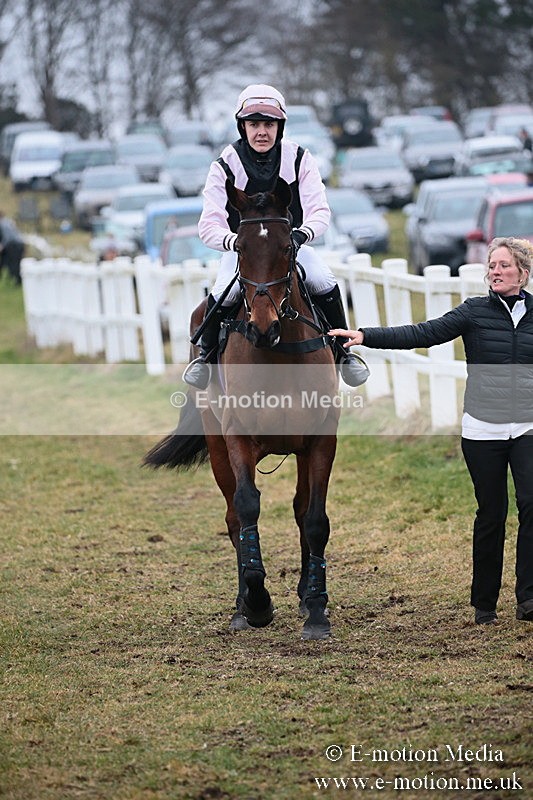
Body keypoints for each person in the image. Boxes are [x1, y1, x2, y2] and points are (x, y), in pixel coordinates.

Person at [329, 237, 533, 626]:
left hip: (528, 427)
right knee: (492, 514)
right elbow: (423, 333)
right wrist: (366, 336)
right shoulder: (474, 312)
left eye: (504, 265)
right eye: (492, 265)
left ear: (522, 273)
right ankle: (485, 604)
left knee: (532, 505)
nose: (495, 271)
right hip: (483, 430)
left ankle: (528, 597)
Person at [182, 83, 364, 389]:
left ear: (280, 127)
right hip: (243, 252)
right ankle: (205, 359)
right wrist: (235, 243)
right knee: (225, 289)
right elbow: (208, 225)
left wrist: (301, 236)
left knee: (322, 279)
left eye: (269, 124)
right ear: (242, 127)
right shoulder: (224, 164)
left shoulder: (300, 158)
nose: (262, 132)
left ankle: (344, 355)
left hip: (289, 247)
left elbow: (320, 211)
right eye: (254, 124)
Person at [0, 211, 25, 284]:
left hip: (14, 246)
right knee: (14, 264)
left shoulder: (2, 224)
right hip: (19, 244)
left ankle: (18, 282)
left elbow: (8, 238)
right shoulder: (8, 221)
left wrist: (2, 245)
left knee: (13, 265)